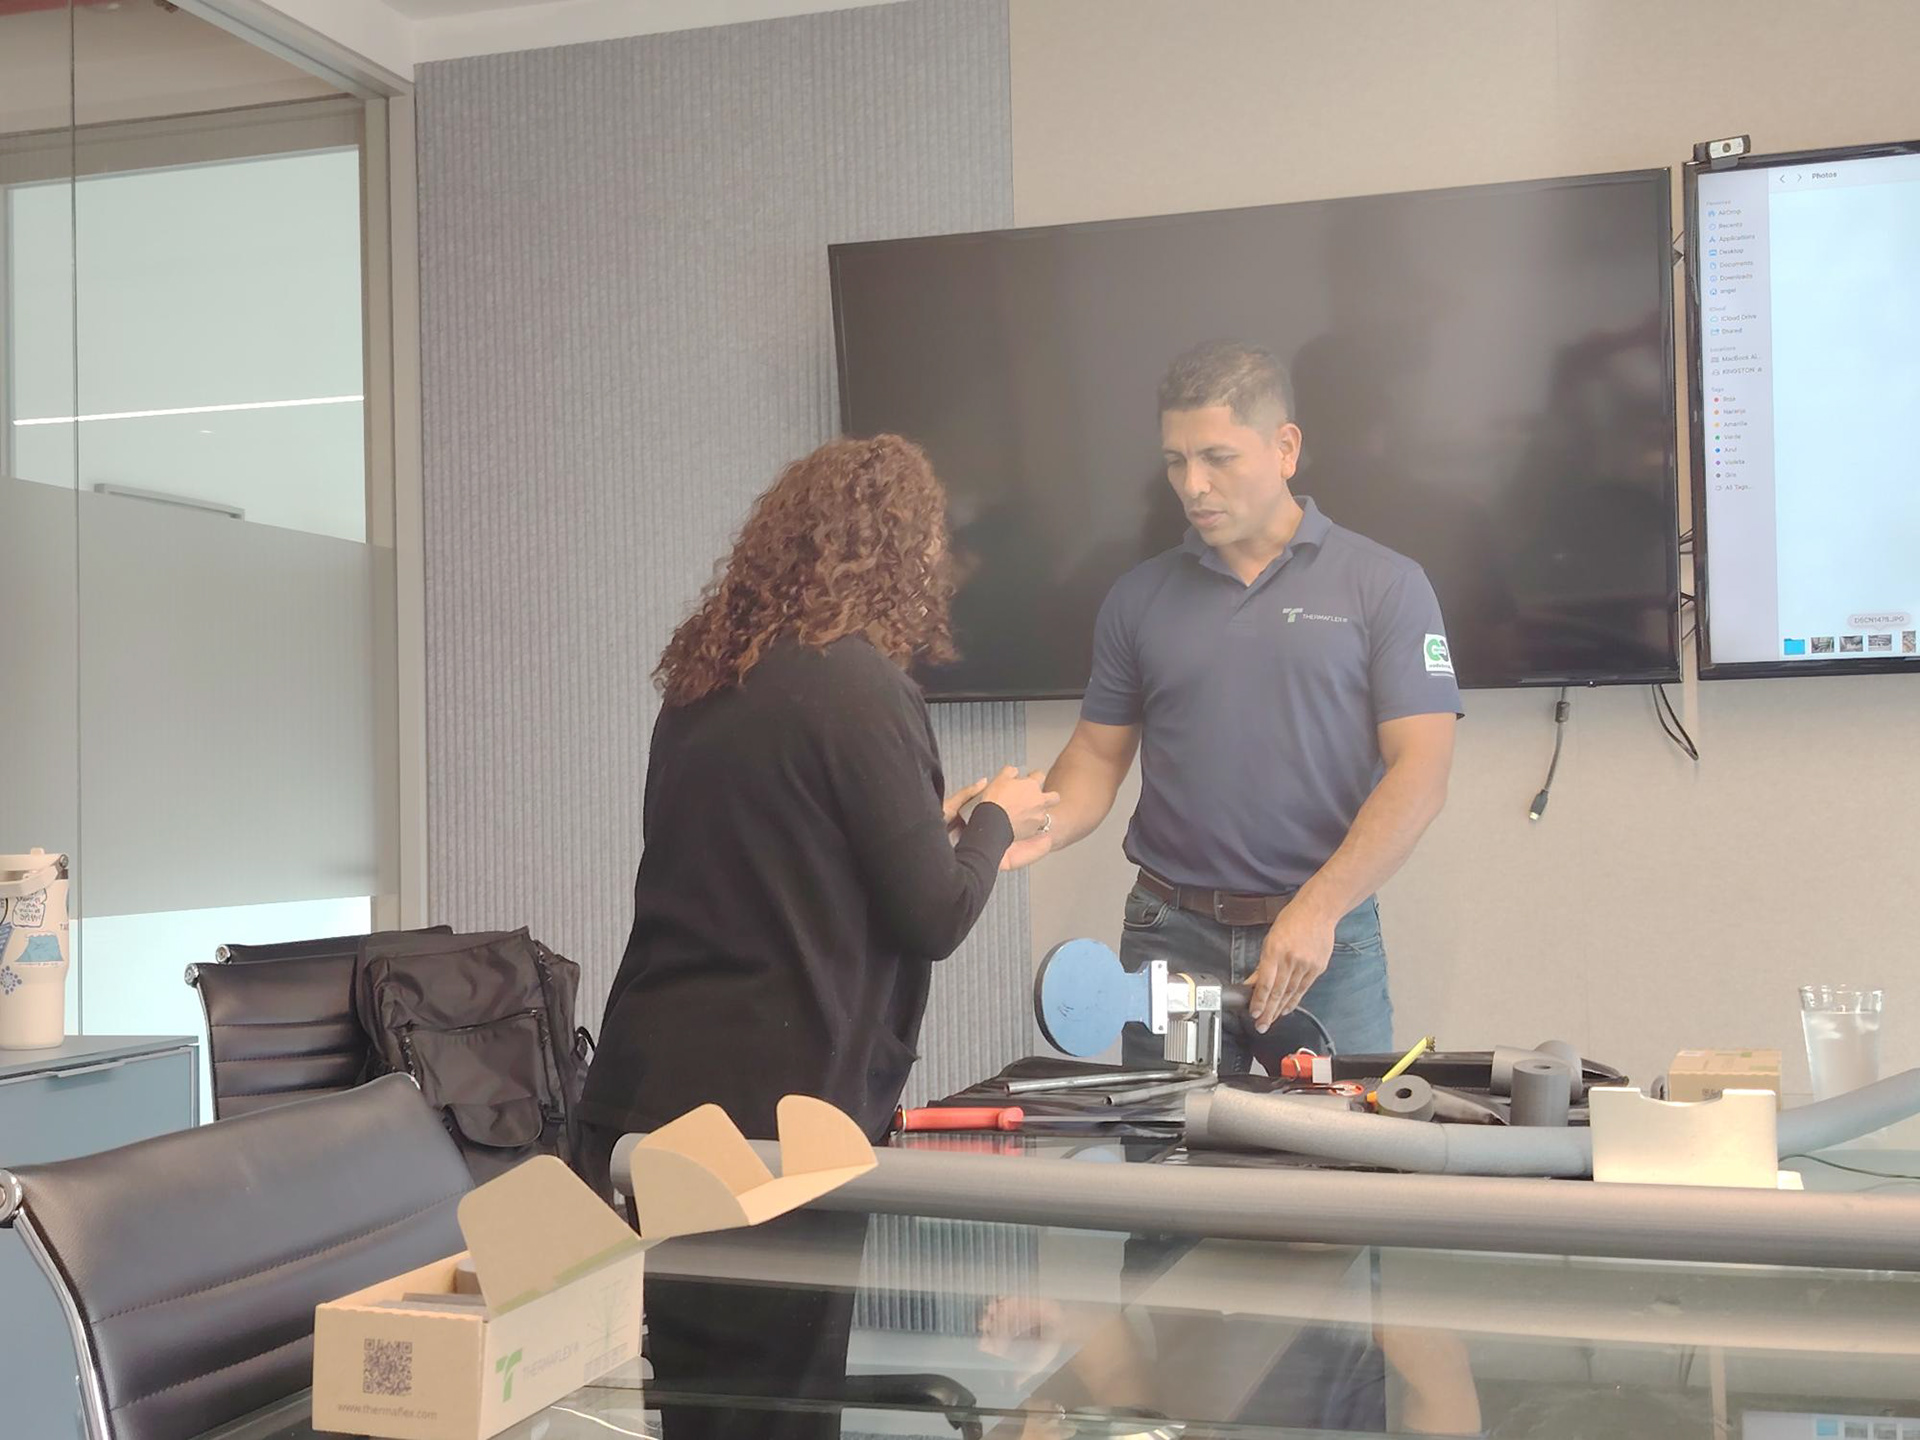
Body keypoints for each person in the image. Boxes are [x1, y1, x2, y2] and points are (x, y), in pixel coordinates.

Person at [1019, 340, 1458, 1069]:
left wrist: (1318, 909)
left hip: (1325, 940)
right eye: (1175, 461)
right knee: (1171, 1138)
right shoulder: (1138, 597)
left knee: (1342, 1139)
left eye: (1218, 458)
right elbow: (1096, 754)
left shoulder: (1387, 585)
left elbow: (1421, 772)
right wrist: (1031, 825)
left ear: (1285, 448)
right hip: (1171, 938)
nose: (1192, 485)